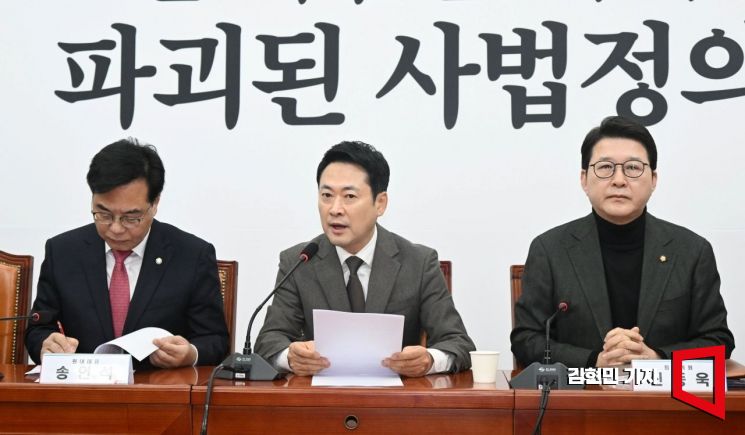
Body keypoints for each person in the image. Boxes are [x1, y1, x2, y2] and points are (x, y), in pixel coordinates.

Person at [511, 116, 735, 368]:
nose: (619, 180)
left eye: (633, 168)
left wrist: (656, 358)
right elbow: (525, 339)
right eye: (605, 167)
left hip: (665, 391)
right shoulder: (550, 250)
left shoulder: (692, 251)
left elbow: (719, 341)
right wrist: (594, 360)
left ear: (653, 179)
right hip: (583, 391)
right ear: (584, 179)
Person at [255, 141, 475, 377]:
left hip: (396, 396)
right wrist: (291, 358)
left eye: (349, 196)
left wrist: (429, 360)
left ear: (380, 203)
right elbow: (268, 342)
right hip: (320, 395)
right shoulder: (300, 261)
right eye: (326, 195)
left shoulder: (418, 262)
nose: (335, 209)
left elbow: (459, 344)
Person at [25, 139, 228, 368]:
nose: (116, 228)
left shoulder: (192, 255)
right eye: (103, 214)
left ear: (155, 203)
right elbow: (38, 327)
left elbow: (215, 340)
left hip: (158, 386)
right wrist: (46, 344)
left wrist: (190, 354)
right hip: (82, 385)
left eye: (131, 218)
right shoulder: (63, 252)